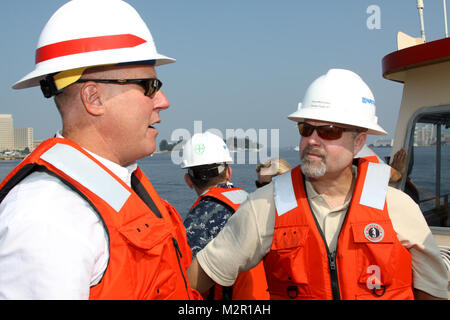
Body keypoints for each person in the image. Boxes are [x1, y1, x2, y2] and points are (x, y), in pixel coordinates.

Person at [187, 69, 448, 300]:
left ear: (359, 142)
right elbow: (201, 275)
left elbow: (432, 292)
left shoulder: (398, 207)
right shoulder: (264, 206)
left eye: (329, 131)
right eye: (305, 129)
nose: (312, 139)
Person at [0, 0, 200, 300]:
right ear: (93, 98)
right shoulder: (47, 217)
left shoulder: (121, 185)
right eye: (149, 85)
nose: (162, 101)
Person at [182, 132, 269, 300]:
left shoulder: (196, 222)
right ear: (228, 172)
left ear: (188, 180)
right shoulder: (252, 201)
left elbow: (181, 279)